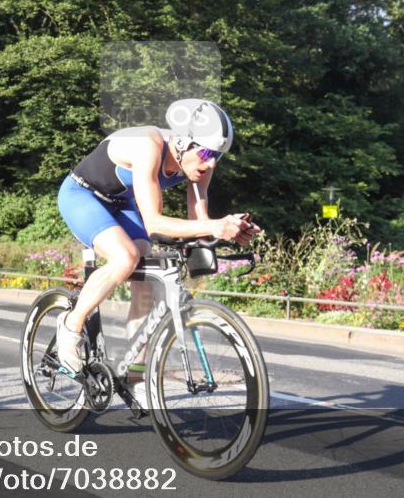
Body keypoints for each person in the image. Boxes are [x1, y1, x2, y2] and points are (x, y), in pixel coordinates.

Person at [56, 98, 261, 379]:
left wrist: (231, 230)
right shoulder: (148, 145)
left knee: (145, 278)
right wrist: (216, 226)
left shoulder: (201, 164)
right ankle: (71, 324)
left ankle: (135, 373)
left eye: (218, 155)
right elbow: (153, 222)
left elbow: (200, 223)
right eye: (205, 153)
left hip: (120, 202)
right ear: (182, 143)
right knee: (125, 257)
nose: (211, 162)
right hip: (83, 195)